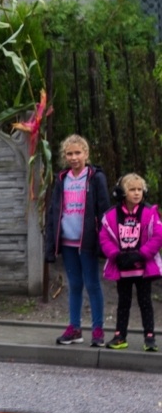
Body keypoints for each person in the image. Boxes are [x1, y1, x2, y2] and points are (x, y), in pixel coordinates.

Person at [45, 134, 109, 346]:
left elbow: (104, 210)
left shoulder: (95, 177)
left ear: (86, 154)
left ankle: (98, 329)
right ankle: (74, 328)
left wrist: (105, 242)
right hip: (67, 241)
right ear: (65, 156)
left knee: (92, 284)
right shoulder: (62, 179)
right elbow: (54, 211)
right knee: (74, 285)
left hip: (88, 242)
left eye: (78, 153)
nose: (74, 157)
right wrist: (50, 242)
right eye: (69, 153)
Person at [98, 173, 161, 351]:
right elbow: (104, 238)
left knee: (145, 302)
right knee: (123, 303)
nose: (136, 193)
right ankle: (120, 336)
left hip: (143, 268)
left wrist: (141, 255)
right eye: (132, 189)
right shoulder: (111, 215)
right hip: (122, 267)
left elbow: (158, 236)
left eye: (139, 189)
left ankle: (149, 337)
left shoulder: (150, 212)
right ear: (122, 193)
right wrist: (116, 256)